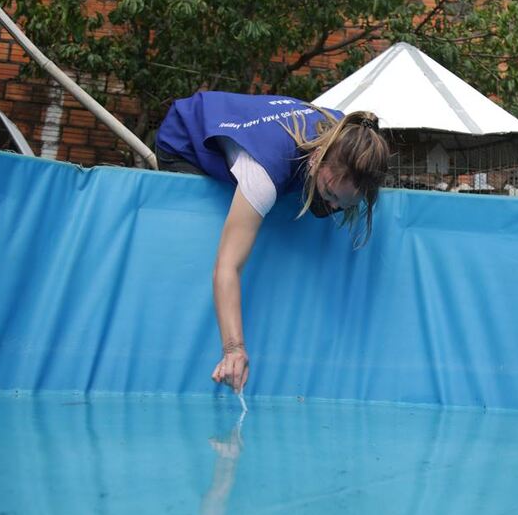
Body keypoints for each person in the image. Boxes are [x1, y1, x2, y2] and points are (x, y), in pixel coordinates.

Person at [155, 91, 390, 392]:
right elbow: (227, 267)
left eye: (344, 204)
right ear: (317, 157)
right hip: (186, 138)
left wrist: (338, 196)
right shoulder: (263, 173)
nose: (332, 207)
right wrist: (233, 348)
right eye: (330, 194)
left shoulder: (351, 137)